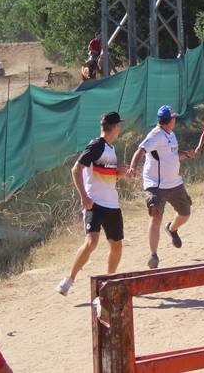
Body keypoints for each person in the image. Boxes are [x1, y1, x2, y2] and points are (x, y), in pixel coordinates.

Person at [57, 112, 127, 296]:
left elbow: (104, 172)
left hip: (112, 204)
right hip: (94, 204)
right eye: (119, 125)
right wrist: (84, 197)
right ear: (113, 127)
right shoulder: (97, 145)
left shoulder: (111, 148)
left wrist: (119, 172)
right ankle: (69, 279)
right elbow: (76, 169)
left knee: (117, 245)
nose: (120, 128)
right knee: (91, 243)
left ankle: (109, 282)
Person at [128, 105, 195, 269]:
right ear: (169, 120)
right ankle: (153, 255)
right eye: (174, 118)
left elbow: (171, 156)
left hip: (174, 182)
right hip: (156, 185)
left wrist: (185, 155)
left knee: (185, 213)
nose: (175, 121)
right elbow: (140, 151)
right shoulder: (156, 135)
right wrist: (133, 167)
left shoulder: (171, 134)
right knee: (155, 216)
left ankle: (172, 229)